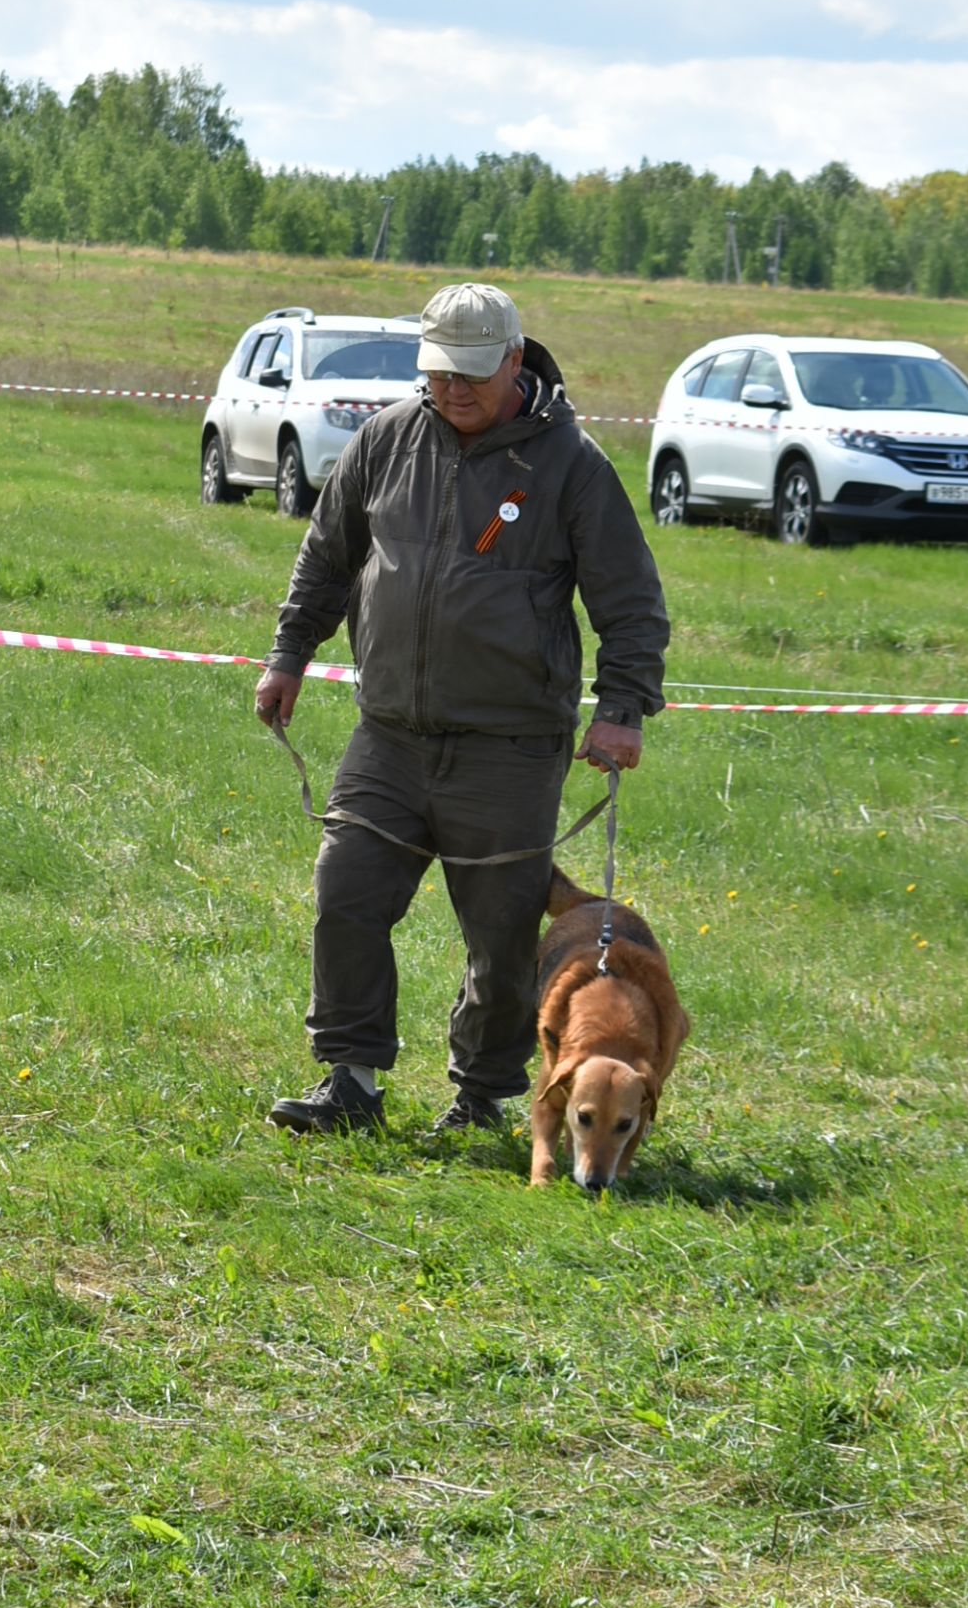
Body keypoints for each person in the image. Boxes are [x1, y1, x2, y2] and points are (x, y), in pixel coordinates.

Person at [254, 281, 670, 1138]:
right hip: (391, 735)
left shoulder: (572, 467)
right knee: (347, 897)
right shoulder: (386, 441)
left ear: (516, 360)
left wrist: (622, 707)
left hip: (510, 746)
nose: (453, 392)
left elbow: (629, 602)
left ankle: (482, 1097)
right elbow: (326, 559)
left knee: (504, 935)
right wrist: (289, 653)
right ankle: (353, 1081)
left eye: (472, 376)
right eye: (439, 374)